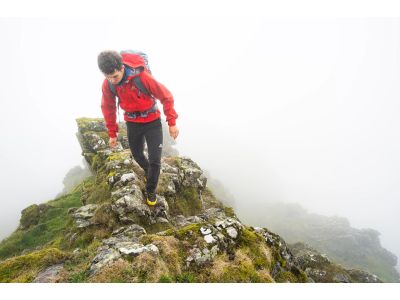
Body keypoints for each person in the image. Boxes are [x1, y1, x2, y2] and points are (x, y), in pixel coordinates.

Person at [98, 50, 179, 206]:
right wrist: (112, 133)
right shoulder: (108, 84)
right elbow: (108, 107)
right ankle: (151, 174)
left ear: (122, 68)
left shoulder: (141, 77)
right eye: (107, 77)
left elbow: (166, 96)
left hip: (152, 122)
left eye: (114, 76)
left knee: (155, 160)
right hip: (132, 123)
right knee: (137, 155)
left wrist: (172, 122)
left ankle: (150, 189)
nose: (112, 81)